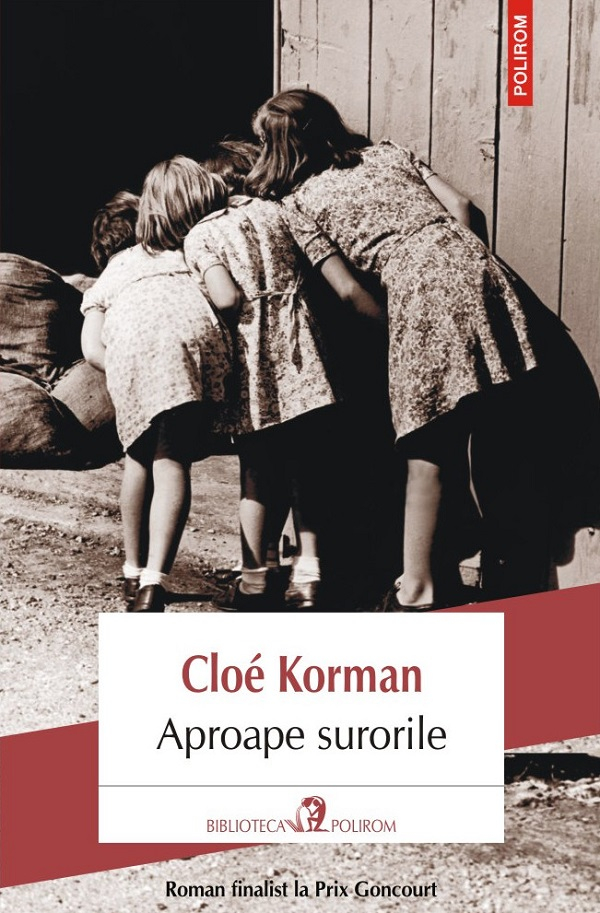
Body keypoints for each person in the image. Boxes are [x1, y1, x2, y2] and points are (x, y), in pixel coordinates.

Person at [247, 88, 549, 611]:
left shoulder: (297, 203)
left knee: (424, 442)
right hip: (476, 266)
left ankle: (416, 590)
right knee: (487, 424)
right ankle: (472, 556)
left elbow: (347, 291)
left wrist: (402, 328)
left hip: (416, 286)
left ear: (277, 148)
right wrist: (457, 264)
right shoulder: (388, 153)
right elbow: (464, 208)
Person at [184, 139, 384, 611]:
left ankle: (256, 579)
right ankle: (309, 576)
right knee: (306, 467)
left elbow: (225, 297)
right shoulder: (285, 212)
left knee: (256, 470)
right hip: (303, 354)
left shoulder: (203, 234)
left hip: (251, 361)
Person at [80, 158, 231, 612]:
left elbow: (91, 347)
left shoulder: (116, 269)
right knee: (172, 462)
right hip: (187, 349)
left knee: (137, 460)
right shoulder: (191, 252)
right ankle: (153, 582)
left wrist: (127, 373)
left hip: (134, 355)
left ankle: (132, 570)